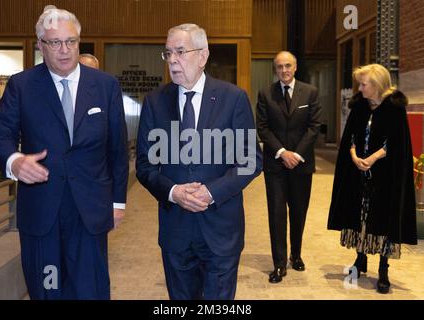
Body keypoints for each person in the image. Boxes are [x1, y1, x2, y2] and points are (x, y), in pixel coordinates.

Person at [0, 6, 128, 299]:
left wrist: (118, 203)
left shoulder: (105, 86)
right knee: (47, 290)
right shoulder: (22, 86)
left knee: (91, 291)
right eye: (54, 43)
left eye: (71, 41)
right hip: (41, 212)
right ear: (40, 45)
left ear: (79, 42)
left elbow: (116, 149)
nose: (64, 50)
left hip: (90, 212)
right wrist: (15, 161)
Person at [136, 23, 262, 300]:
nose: (172, 61)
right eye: (168, 53)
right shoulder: (156, 102)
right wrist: (173, 192)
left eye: (180, 52)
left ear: (203, 56)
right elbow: (145, 166)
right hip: (176, 229)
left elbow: (250, 159)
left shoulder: (233, 98)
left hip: (221, 228)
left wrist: (210, 192)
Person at [328, 64, 417, 294]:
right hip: (358, 172)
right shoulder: (359, 106)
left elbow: (397, 143)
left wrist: (373, 158)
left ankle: (383, 267)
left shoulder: (394, 108)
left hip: (385, 176)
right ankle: (360, 259)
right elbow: (351, 136)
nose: (360, 87)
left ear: (377, 85)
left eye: (363, 84)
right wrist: (355, 156)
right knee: (360, 214)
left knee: (383, 218)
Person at [256, 51, 321, 284]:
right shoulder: (266, 93)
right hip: (275, 164)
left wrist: (296, 155)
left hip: (302, 165)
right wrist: (283, 153)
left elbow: (314, 127)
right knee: (276, 214)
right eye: (279, 67)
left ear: (295, 68)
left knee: (298, 212)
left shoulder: (310, 92)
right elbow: (262, 128)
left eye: (288, 66)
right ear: (275, 69)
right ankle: (279, 264)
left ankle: (296, 254)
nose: (284, 70)